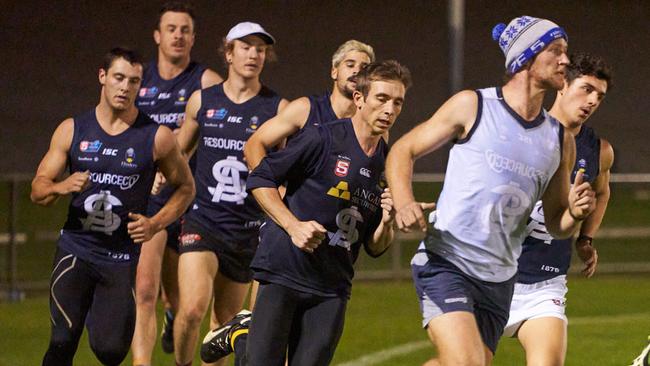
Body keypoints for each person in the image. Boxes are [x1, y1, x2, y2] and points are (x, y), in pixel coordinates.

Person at [385, 16, 597, 366]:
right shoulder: (474, 106)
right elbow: (402, 150)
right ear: (526, 58)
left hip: (500, 280)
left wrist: (574, 213)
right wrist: (404, 202)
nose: (565, 61)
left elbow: (558, 225)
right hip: (447, 262)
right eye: (556, 51)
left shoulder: (560, 139)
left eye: (566, 53)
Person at [202, 60, 414, 366]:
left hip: (332, 287)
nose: (390, 109)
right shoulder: (322, 138)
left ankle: (246, 333)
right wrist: (293, 226)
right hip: (284, 271)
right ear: (359, 99)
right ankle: (243, 334)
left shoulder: (389, 163)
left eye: (398, 102)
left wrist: (388, 221)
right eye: (382, 99)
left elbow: (374, 246)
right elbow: (261, 178)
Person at [31, 47, 195, 366]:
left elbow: (186, 189)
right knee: (63, 340)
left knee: (110, 351)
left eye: (133, 81)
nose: (125, 87)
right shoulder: (72, 130)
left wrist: (156, 223)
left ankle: (98, 306)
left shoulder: (156, 138)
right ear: (102, 77)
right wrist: (62, 185)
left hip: (120, 258)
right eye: (118, 78)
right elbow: (38, 191)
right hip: (75, 250)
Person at [172, 22, 288, 366]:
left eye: (260, 49)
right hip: (203, 219)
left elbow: (286, 167)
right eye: (246, 46)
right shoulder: (202, 101)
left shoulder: (276, 108)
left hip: (248, 229)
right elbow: (179, 152)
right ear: (229, 53)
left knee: (224, 328)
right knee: (192, 308)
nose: (254, 54)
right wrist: (163, 183)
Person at [502, 52, 614, 365]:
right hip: (492, 276)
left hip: (543, 284)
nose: (592, 101)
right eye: (587, 89)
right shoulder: (520, 133)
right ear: (562, 84)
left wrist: (585, 238)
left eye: (600, 96)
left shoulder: (599, 150)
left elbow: (602, 192)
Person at [131, 2, 223, 363]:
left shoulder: (206, 82)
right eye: (171, 28)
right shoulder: (140, 81)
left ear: (193, 37)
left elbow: (233, 111)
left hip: (191, 201)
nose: (178, 35)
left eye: (185, 29)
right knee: (144, 289)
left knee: (184, 302)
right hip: (149, 197)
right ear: (158, 35)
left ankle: (173, 319)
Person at [243, 39, 375, 170]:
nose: (357, 71)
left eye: (364, 68)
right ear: (334, 72)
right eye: (350, 65)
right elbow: (253, 145)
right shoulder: (305, 109)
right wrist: (271, 189)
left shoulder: (371, 124)